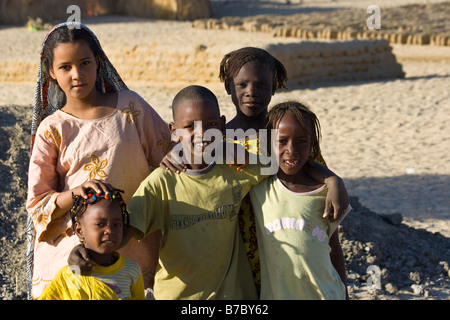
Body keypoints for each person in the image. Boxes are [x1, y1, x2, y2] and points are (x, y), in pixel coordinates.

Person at [26, 21, 171, 299]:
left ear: (98, 61)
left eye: (85, 62)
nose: (77, 74)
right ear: (51, 72)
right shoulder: (52, 128)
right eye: (65, 67)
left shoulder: (131, 107)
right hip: (74, 252)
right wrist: (75, 194)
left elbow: (170, 161)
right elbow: (37, 204)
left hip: (133, 241)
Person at [218, 47, 349, 292]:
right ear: (228, 86)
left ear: (274, 87)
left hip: (284, 247)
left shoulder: (287, 131)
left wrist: (333, 181)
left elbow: (307, 164)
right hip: (233, 251)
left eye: (261, 85)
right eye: (242, 84)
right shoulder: (220, 139)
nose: (251, 92)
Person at [123, 85, 267, 299]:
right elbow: (123, 232)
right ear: (174, 131)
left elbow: (284, 162)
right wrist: (87, 251)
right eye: (190, 126)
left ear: (222, 125)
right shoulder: (161, 183)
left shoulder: (236, 167)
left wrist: (330, 179)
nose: (202, 134)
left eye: (210, 125)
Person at [251, 101, 350, 299]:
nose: (291, 149)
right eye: (282, 141)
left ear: (312, 143)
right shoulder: (259, 187)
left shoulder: (325, 195)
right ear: (268, 142)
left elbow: (334, 249)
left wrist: (345, 294)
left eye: (301, 141)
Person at [39, 188, 145, 300]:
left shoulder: (132, 270)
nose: (109, 230)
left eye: (116, 225)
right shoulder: (71, 276)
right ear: (80, 231)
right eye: (100, 224)